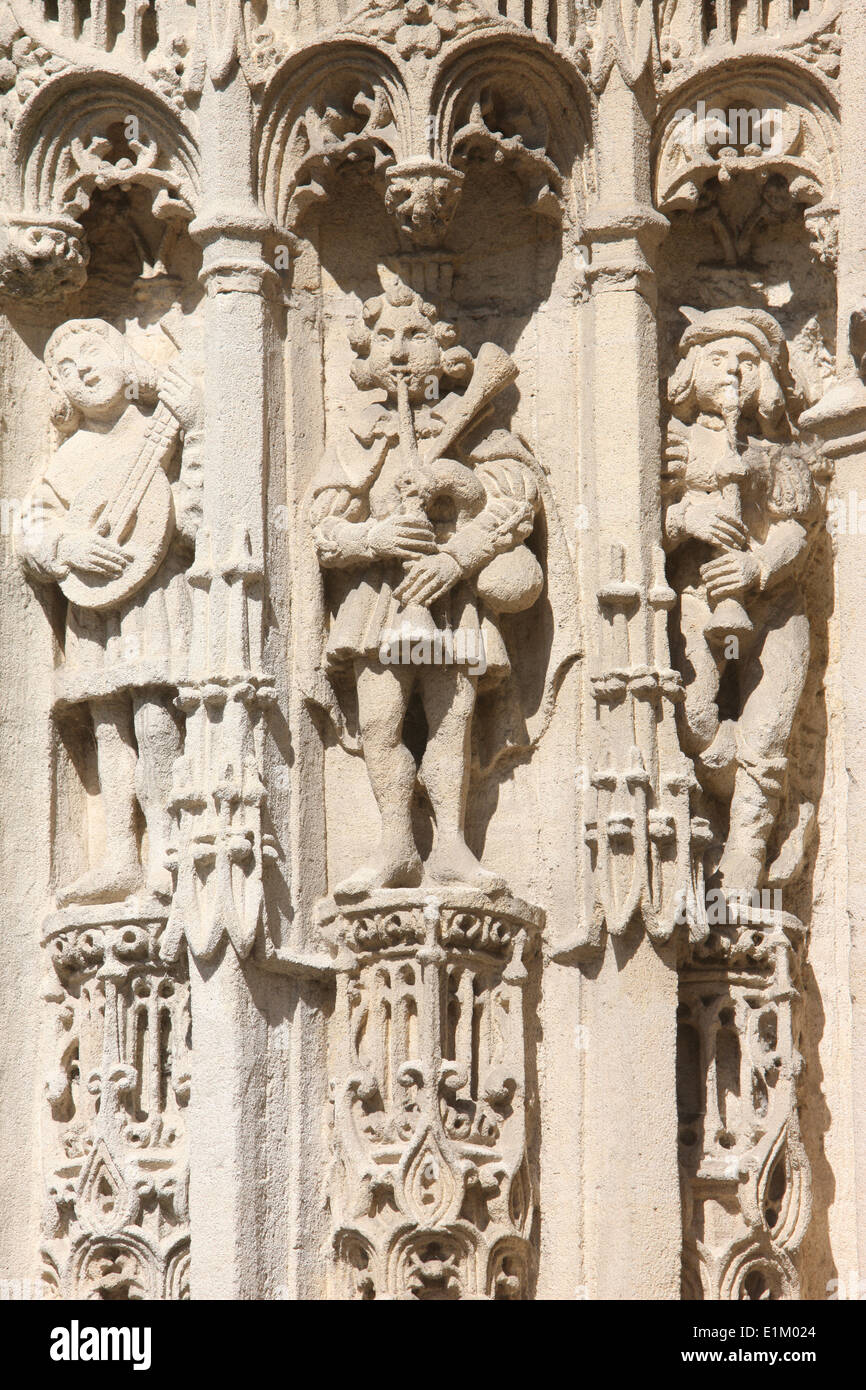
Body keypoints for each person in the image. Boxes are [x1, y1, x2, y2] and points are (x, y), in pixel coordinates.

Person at [307, 270, 544, 896]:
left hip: (449, 595)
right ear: (367, 358)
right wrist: (375, 539)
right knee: (381, 722)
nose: (403, 348)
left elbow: (517, 500)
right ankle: (394, 845)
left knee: (451, 719)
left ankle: (451, 846)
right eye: (385, 337)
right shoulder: (357, 435)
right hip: (379, 600)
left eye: (415, 334)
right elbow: (320, 527)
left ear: (443, 349)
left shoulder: (472, 424)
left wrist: (457, 539)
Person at [20, 318, 202, 905]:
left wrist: (196, 432)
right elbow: (30, 528)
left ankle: (168, 849)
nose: (85, 371)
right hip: (96, 608)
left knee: (154, 718)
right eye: (67, 370)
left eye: (93, 352)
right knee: (107, 725)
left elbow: (198, 521)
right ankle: (121, 853)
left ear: (127, 357)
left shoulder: (160, 432)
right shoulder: (71, 458)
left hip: (154, 596)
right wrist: (65, 546)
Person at [663, 306, 822, 896]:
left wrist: (756, 567)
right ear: (690, 370)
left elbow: (796, 532)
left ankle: (744, 862)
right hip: (700, 597)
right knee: (695, 716)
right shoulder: (672, 446)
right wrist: (686, 515)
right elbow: (640, 524)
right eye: (718, 357)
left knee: (767, 735)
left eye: (747, 360)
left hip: (774, 609)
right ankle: (738, 793)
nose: (732, 370)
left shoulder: (777, 454)